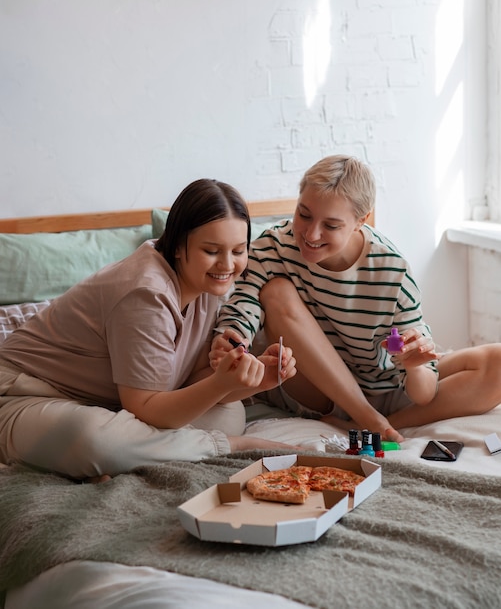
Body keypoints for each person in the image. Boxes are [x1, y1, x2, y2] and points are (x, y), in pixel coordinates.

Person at [0, 179, 297, 479]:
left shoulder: (208, 286)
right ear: (179, 246)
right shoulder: (146, 293)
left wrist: (254, 378)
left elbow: (192, 378)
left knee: (229, 413)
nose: (227, 264)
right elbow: (146, 408)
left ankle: (130, 454)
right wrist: (222, 386)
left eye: (238, 250)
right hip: (24, 396)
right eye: (212, 250)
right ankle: (228, 447)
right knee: (94, 439)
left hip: (108, 403)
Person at [211, 155, 501, 442]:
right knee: (276, 291)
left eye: (331, 225)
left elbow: (423, 394)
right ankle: (366, 417)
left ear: (360, 221)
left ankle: (385, 425)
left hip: (385, 385)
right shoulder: (272, 247)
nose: (311, 234)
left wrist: (414, 366)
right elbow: (243, 304)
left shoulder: (393, 272)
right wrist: (233, 338)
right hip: (318, 388)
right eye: (304, 214)